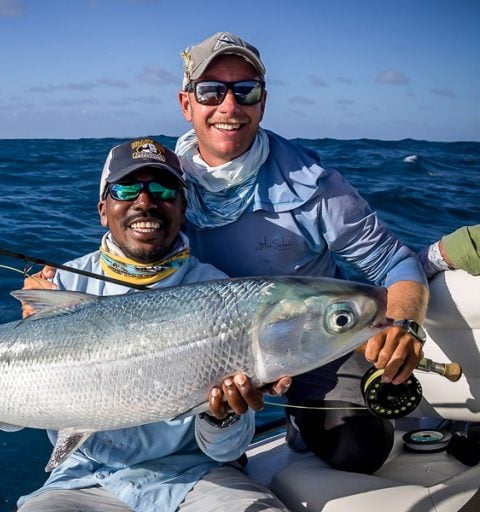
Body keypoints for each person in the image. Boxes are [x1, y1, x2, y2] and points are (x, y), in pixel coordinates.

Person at [0, 137, 291, 512]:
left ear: (182, 208)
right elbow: (14, 405)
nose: (146, 203)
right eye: (127, 189)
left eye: (164, 190)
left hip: (195, 478)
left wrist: (223, 419)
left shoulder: (223, 293)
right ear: (103, 209)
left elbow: (226, 451)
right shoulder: (60, 282)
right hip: (84, 478)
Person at [172, 31, 429, 474]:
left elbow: (395, 262)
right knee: (189, 453)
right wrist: (52, 283)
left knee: (359, 449)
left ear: (263, 102)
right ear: (187, 103)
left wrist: (405, 325)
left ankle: (296, 413)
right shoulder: (161, 182)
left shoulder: (314, 184)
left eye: (245, 91)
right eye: (212, 91)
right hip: (205, 350)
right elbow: (125, 254)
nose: (229, 107)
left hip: (310, 342)